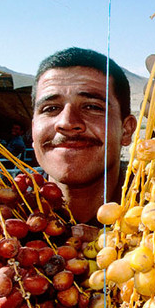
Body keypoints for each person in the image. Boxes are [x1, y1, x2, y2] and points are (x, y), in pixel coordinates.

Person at [31, 47, 137, 224]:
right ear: (33, 129)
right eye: (51, 109)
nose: (67, 123)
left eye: (91, 107)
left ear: (126, 130)